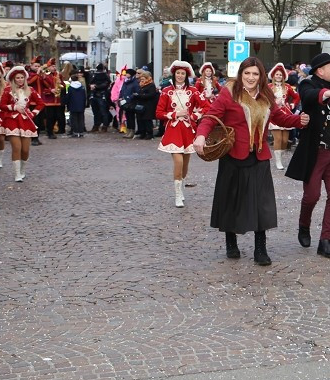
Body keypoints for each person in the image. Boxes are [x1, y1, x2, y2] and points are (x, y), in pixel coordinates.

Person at [193, 56, 309, 264]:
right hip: (233, 156)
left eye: (255, 74)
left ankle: (260, 248)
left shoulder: (266, 95)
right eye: (247, 73)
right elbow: (211, 117)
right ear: (241, 74)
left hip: (259, 156)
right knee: (231, 201)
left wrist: (298, 120)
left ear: (261, 76)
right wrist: (201, 135)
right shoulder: (229, 93)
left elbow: (280, 118)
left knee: (261, 205)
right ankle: (231, 241)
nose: (251, 77)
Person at [286, 53, 330, 259]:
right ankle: (304, 225)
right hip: (316, 151)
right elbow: (309, 97)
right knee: (312, 196)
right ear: (320, 70)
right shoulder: (308, 84)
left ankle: (326, 240)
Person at [157, 61, 202, 207]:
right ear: (174, 74)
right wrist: (175, 114)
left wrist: (193, 116)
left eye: (183, 73)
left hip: (188, 130)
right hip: (173, 130)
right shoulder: (166, 91)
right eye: (178, 73)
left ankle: (181, 188)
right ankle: (177, 194)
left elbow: (206, 107)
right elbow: (159, 112)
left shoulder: (194, 91)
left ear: (186, 75)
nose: (180, 76)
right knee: (178, 161)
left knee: (185, 165)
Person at [0, 66, 40, 182]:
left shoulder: (30, 90)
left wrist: (33, 113)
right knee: (17, 147)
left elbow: (40, 103)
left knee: (25, 150)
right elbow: (1, 106)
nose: (20, 80)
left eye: (22, 77)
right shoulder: (7, 90)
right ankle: (17, 174)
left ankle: (22, 170)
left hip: (26, 121)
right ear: (13, 79)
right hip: (12, 120)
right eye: (18, 78)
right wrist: (13, 107)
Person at [267, 63, 300, 170]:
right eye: (277, 74)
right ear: (273, 75)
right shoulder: (268, 87)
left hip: (285, 114)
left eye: (280, 75)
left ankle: (279, 157)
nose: (278, 76)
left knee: (285, 141)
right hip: (274, 114)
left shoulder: (288, 87)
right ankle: (278, 161)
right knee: (278, 139)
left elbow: (296, 97)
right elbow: (263, 98)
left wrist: (292, 104)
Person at [131, 71, 160, 140]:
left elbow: (151, 95)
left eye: (143, 79)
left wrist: (140, 96)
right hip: (141, 105)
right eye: (141, 79)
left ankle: (149, 134)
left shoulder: (151, 85)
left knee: (147, 120)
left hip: (148, 105)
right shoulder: (141, 85)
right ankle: (142, 133)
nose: (142, 80)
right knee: (141, 120)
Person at [88, 63, 112, 132]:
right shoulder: (102, 75)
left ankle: (102, 126)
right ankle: (99, 125)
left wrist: (95, 86)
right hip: (98, 94)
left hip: (100, 94)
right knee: (99, 111)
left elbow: (106, 83)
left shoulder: (100, 75)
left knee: (101, 111)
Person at [65, 72, 88, 137]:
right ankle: (81, 132)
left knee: (74, 119)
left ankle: (75, 132)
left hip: (73, 105)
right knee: (81, 119)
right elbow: (84, 96)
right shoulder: (82, 87)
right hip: (81, 105)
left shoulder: (70, 88)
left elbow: (68, 97)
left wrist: (67, 104)